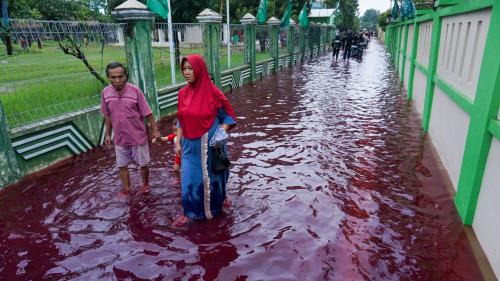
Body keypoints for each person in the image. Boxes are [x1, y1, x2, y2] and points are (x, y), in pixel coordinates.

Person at [174, 54, 236, 226]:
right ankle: (190, 213)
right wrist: (178, 141)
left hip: (210, 148)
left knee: (213, 180)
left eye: (190, 68)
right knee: (189, 180)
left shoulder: (214, 93)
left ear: (199, 69)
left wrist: (219, 135)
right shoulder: (182, 94)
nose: (186, 72)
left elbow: (229, 117)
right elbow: (181, 118)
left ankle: (214, 210)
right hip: (189, 148)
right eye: (184, 69)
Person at [100, 61, 160, 196]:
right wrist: (108, 134)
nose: (117, 80)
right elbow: (107, 115)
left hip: (137, 136)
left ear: (126, 76)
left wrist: (155, 130)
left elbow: (147, 112)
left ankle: (145, 185)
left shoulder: (135, 91)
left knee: (143, 164)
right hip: (120, 138)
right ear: (108, 77)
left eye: (120, 76)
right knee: (121, 165)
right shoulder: (105, 93)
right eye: (113, 77)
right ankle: (127, 189)